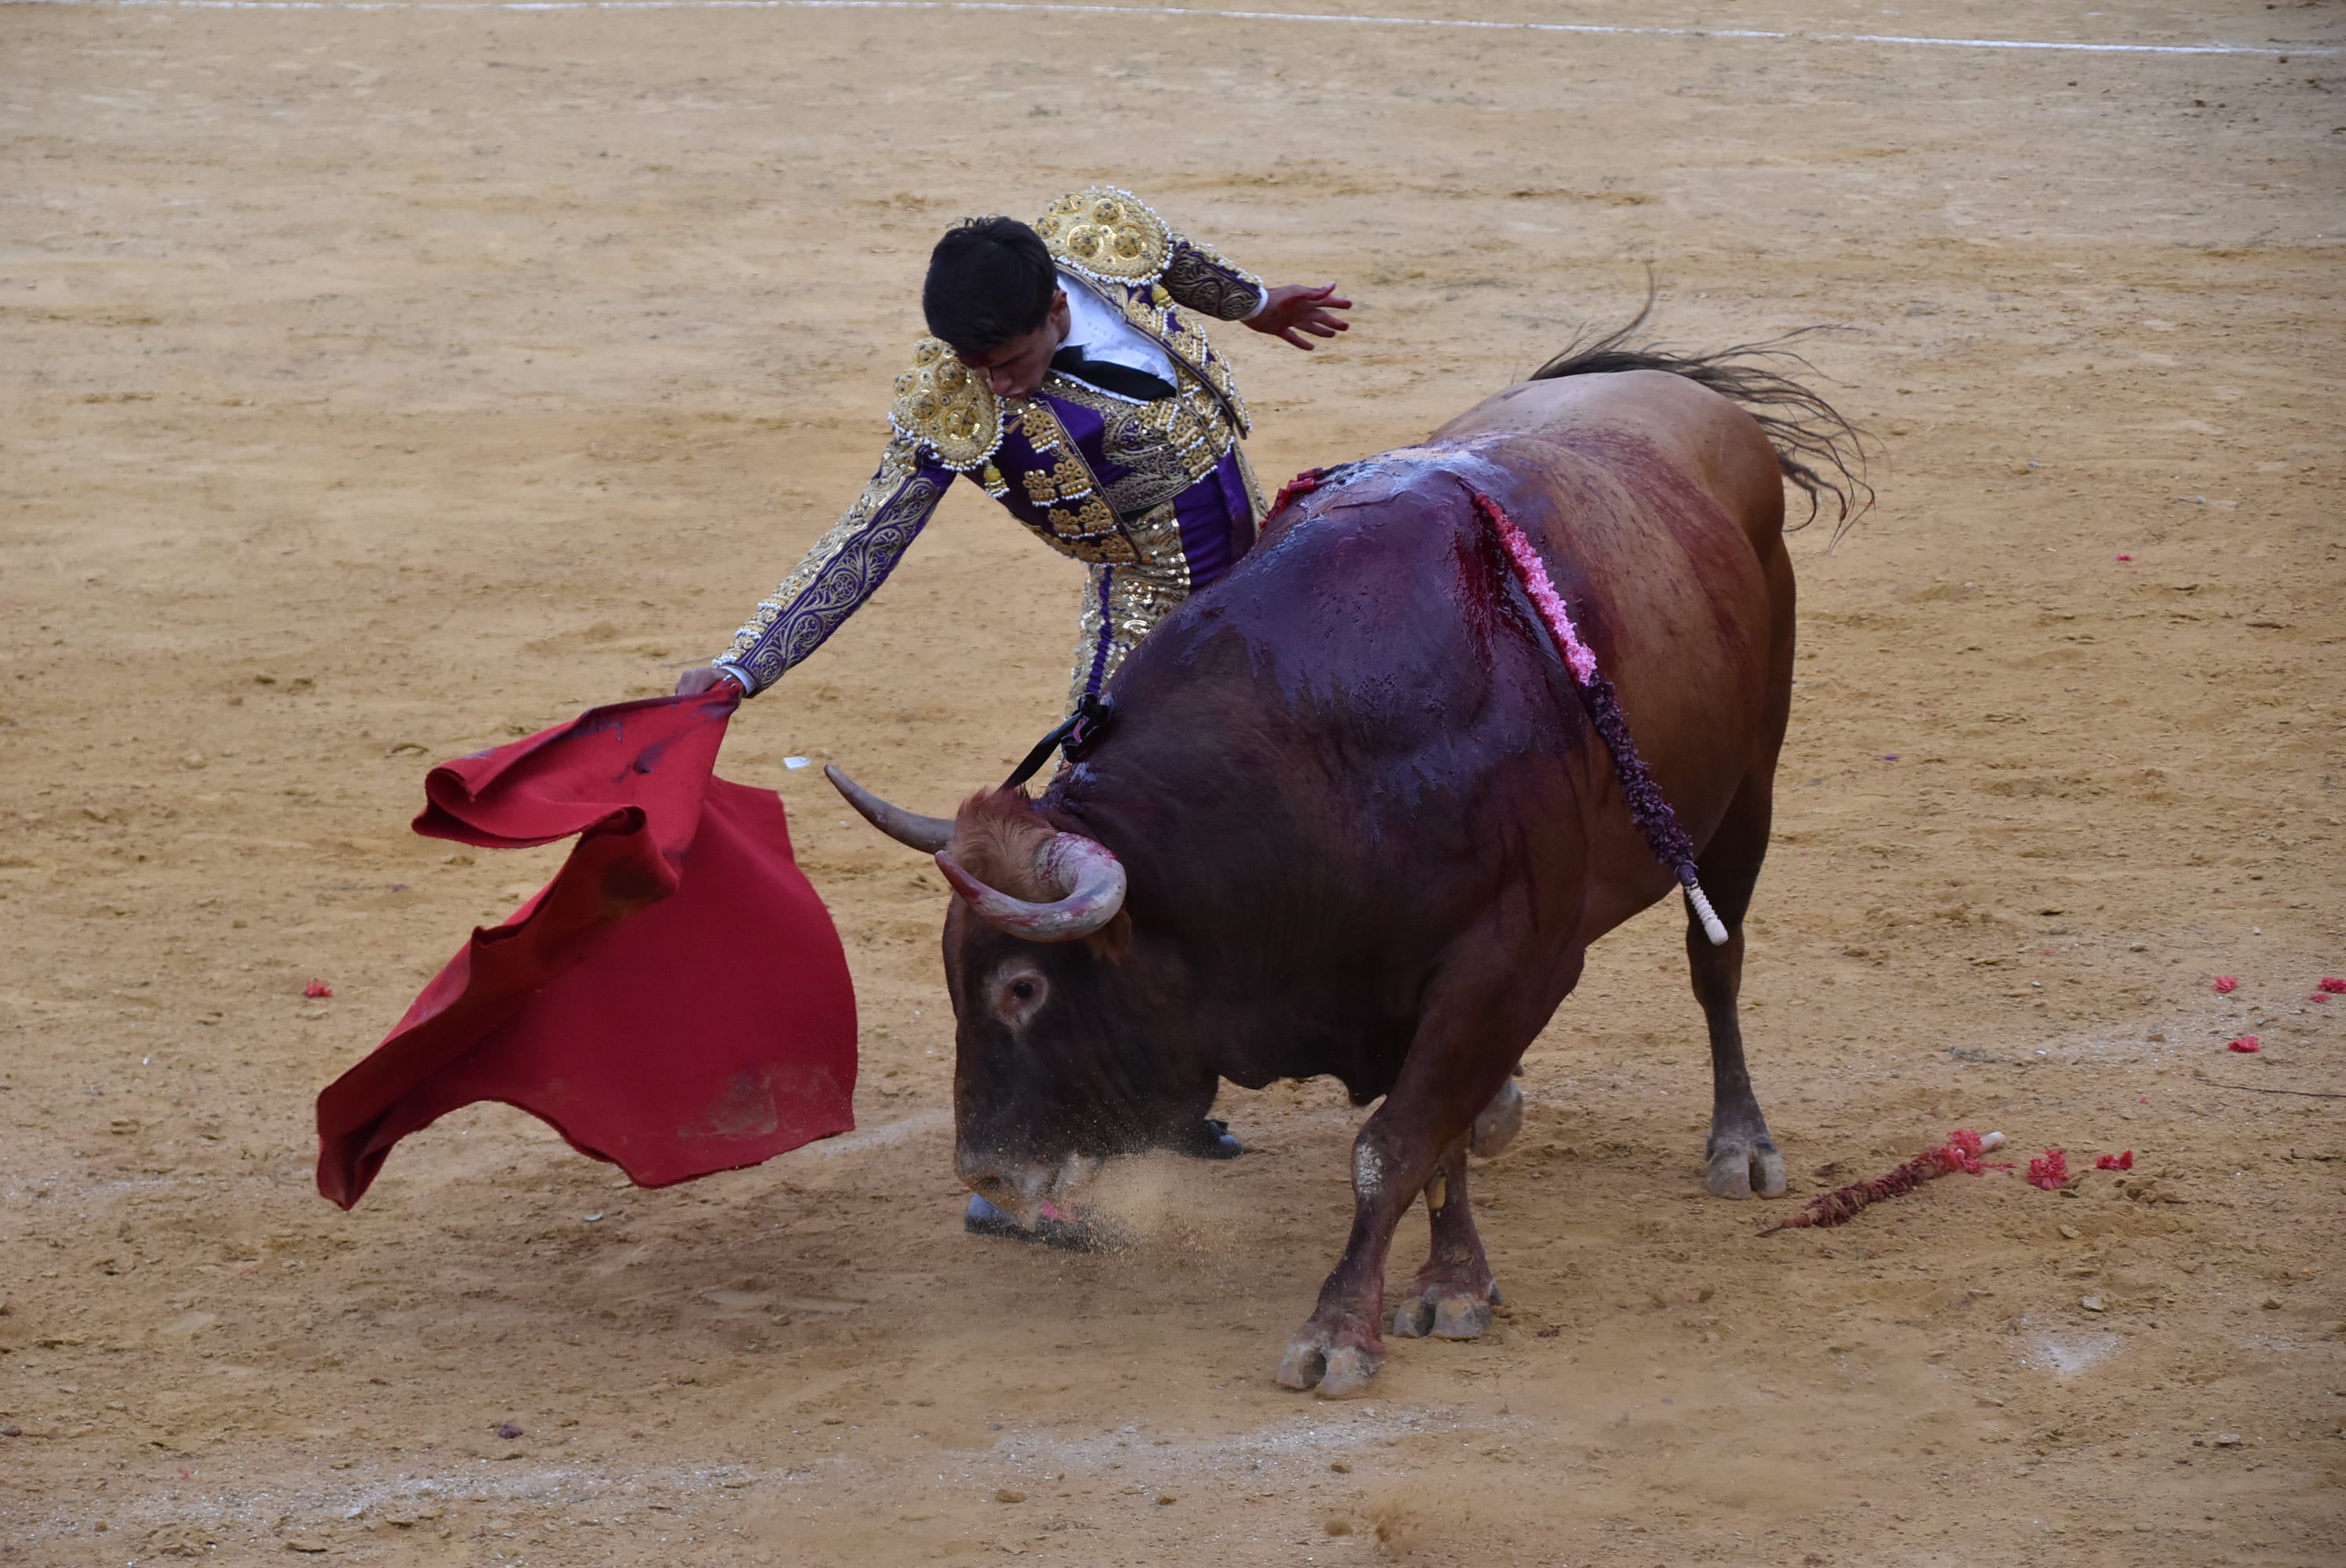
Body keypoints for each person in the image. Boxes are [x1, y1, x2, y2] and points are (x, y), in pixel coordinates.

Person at [675, 187, 1351, 1240]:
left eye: (1010, 358)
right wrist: (741, 668)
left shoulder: (1097, 238)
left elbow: (1181, 264)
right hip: (1147, 623)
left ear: (1053, 305)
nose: (993, 382)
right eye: (975, 365)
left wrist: (1258, 304)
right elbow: (861, 546)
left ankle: (1176, 1096)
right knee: (1091, 869)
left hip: (1255, 586)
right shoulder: (955, 407)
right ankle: (1027, 1162)